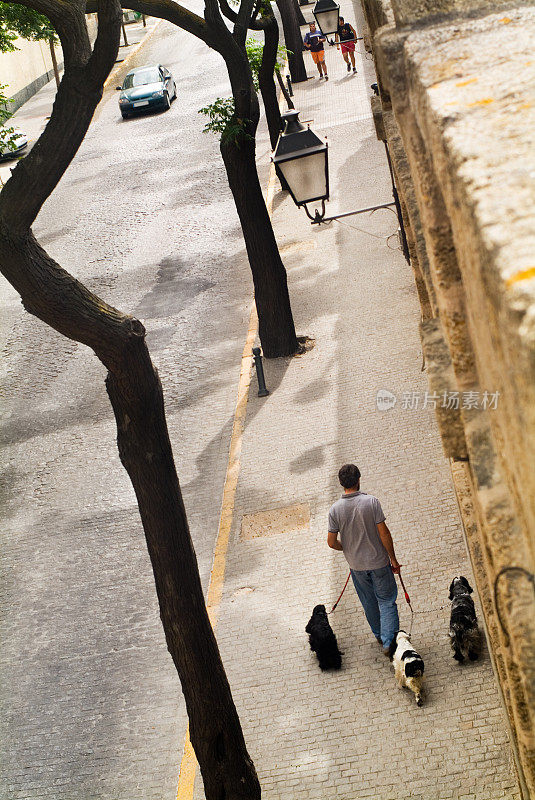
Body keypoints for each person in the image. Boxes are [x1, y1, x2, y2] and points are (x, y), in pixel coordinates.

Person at [327, 463, 401, 653]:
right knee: (386, 600)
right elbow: (384, 534)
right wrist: (393, 559)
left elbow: (331, 542)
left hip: (356, 567)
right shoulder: (371, 502)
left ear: (341, 483)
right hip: (379, 563)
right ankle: (389, 642)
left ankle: (379, 634)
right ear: (359, 479)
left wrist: (348, 548)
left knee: (369, 602)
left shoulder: (335, 510)